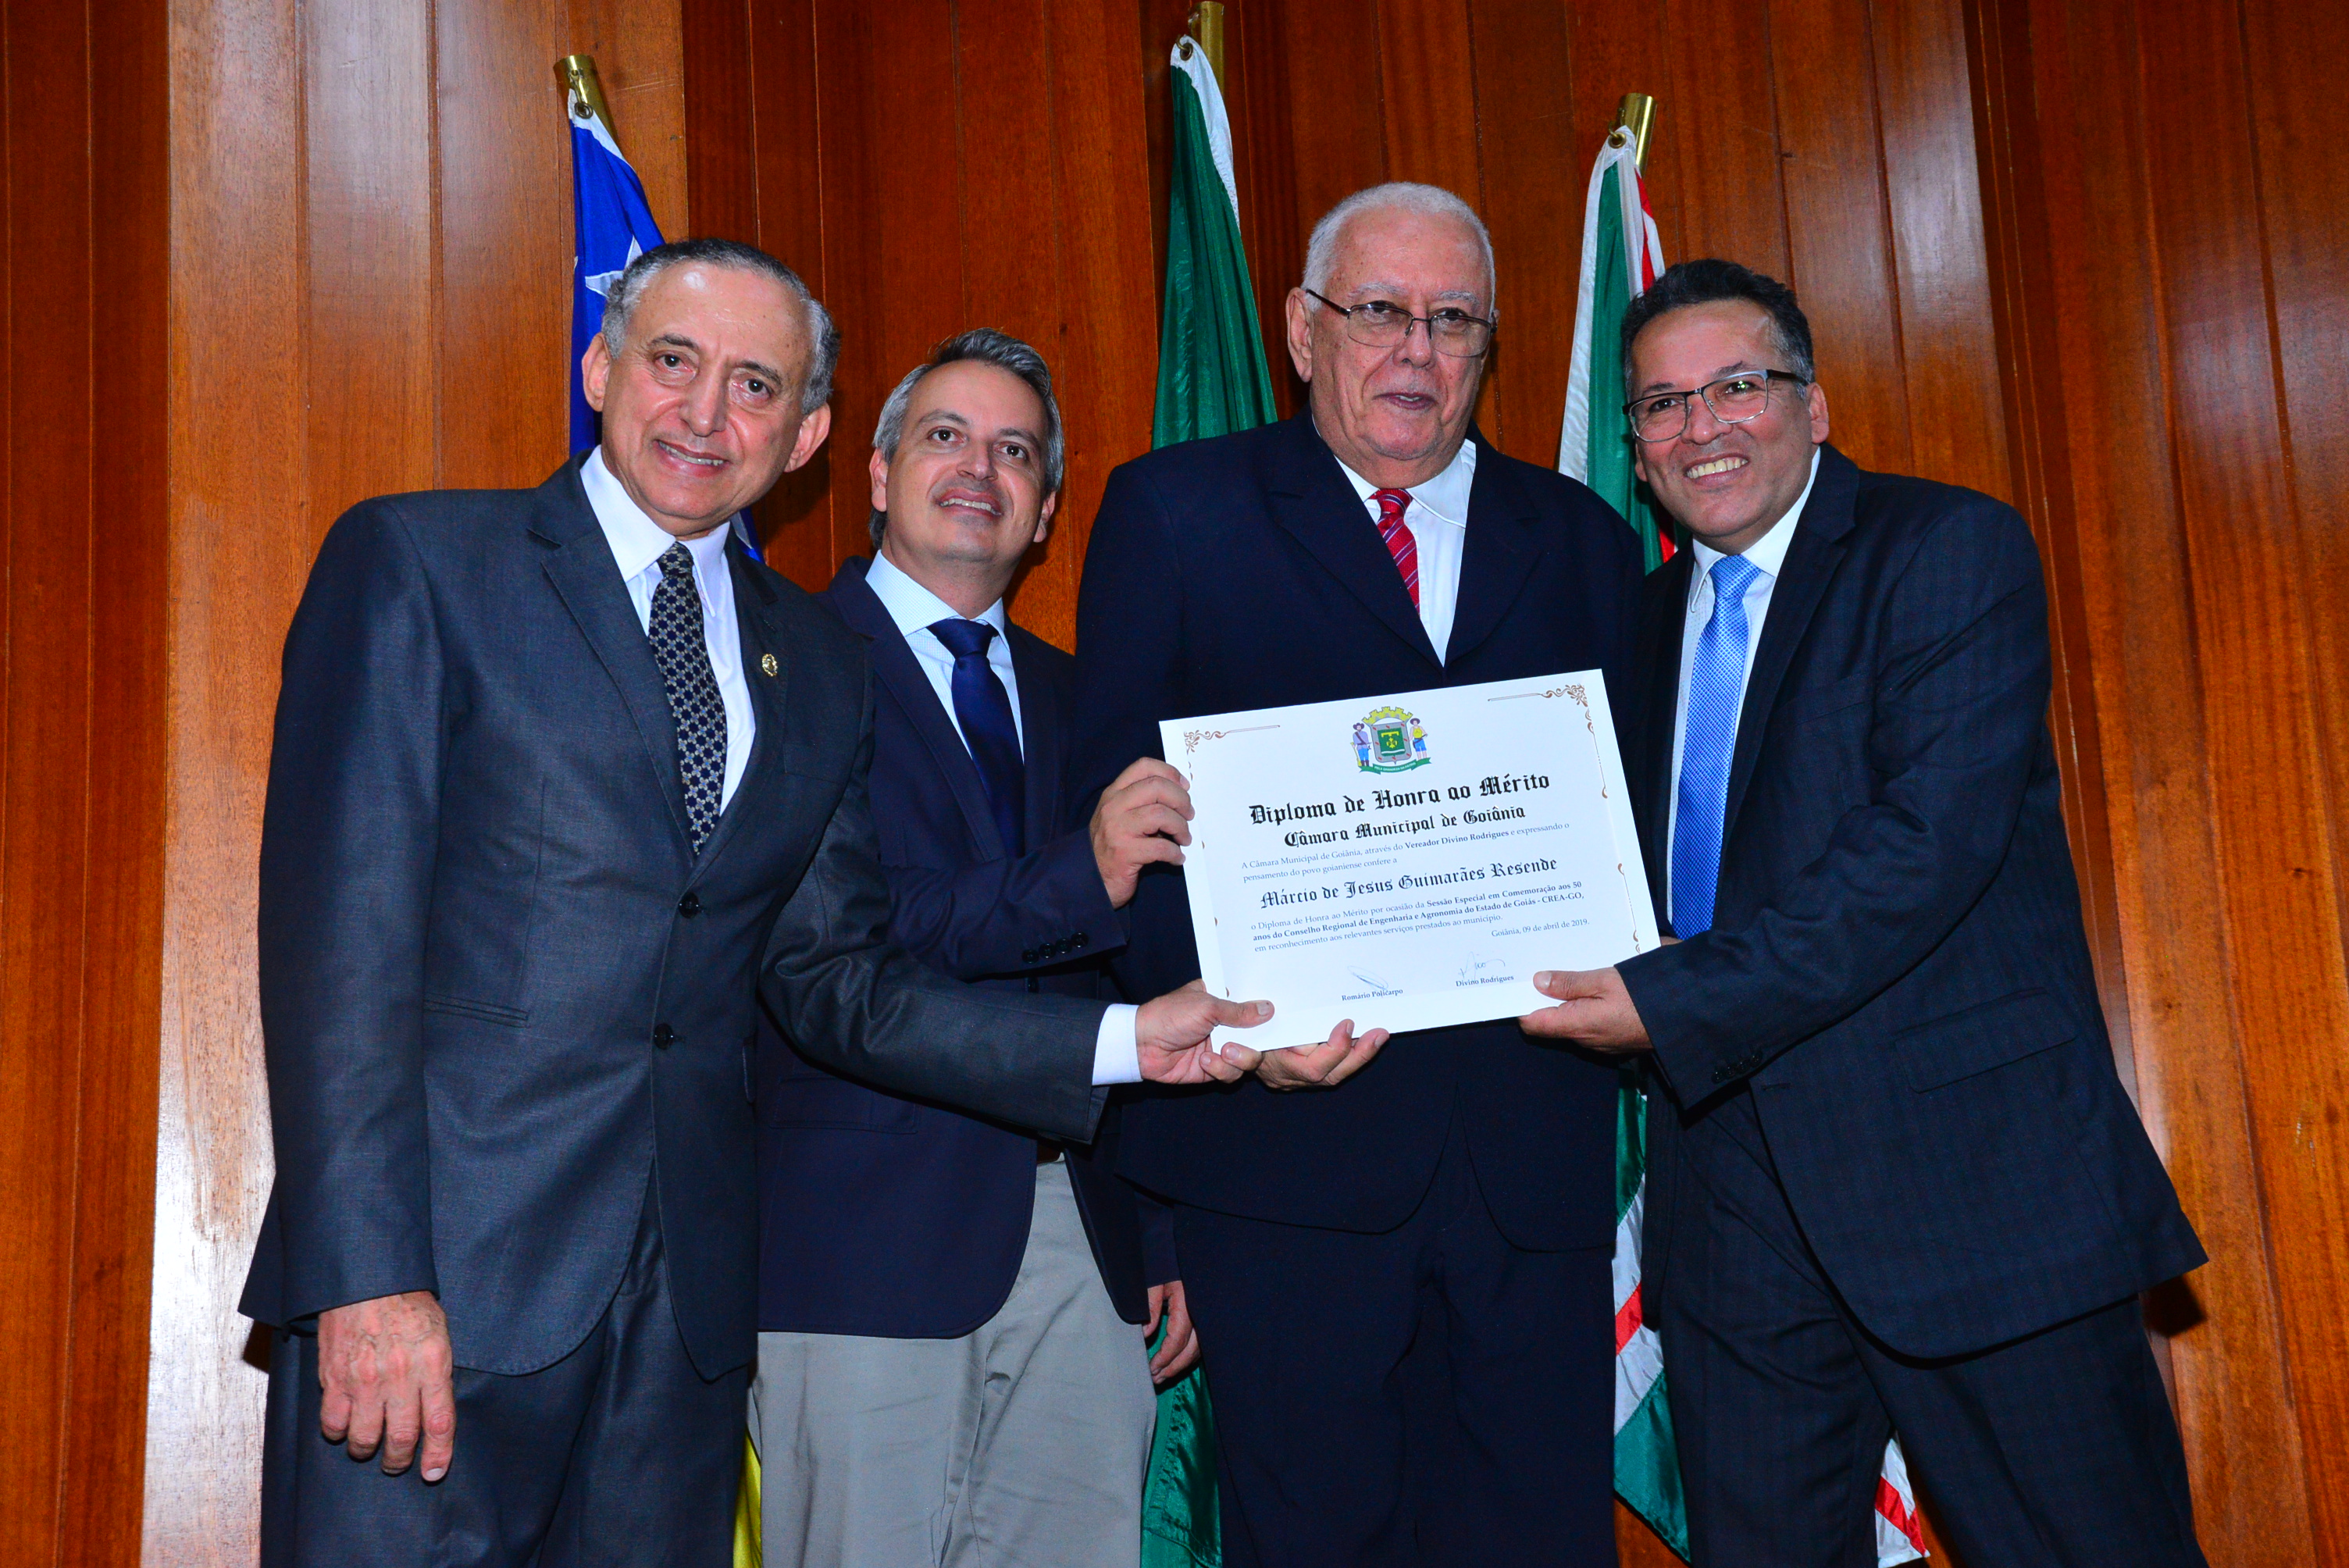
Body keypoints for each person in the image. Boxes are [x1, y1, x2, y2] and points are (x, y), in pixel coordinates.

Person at [241, 238, 1295, 1568]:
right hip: (444, 1285)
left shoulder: (814, 663)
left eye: (755, 386)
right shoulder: (425, 562)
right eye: (673, 362)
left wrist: (1127, 1042)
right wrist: (368, 1275)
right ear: (600, 368)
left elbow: (834, 981)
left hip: (684, 1324)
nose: (705, 413)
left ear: (803, 437)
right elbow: (339, 954)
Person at [1522, 258, 2208, 1567]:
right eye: (1662, 404)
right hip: (1727, 1208)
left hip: (1972, 1188)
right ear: (1639, 445)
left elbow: (1920, 853)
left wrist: (1668, 999)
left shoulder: (1946, 550)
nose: (1701, 426)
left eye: (1737, 385)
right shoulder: (1632, 629)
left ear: (1814, 404)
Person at [1071, 184, 1642, 1566]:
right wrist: (1231, 1037)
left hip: (1532, 1172)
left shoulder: (1581, 539)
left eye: (1455, 320)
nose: (1417, 351)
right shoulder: (1175, 514)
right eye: (1380, 311)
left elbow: (1624, 830)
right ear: (1300, 330)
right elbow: (1116, 845)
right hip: (1283, 1164)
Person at [754, 329, 1198, 1566]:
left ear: (1046, 509)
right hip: (860, 1246)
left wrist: (1159, 1231)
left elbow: (1131, 968)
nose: (978, 469)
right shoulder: (782, 663)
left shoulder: (1087, 698)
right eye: (945, 436)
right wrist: (1079, 872)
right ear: (879, 471)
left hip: (1086, 1243)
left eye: (1015, 452)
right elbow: (843, 946)